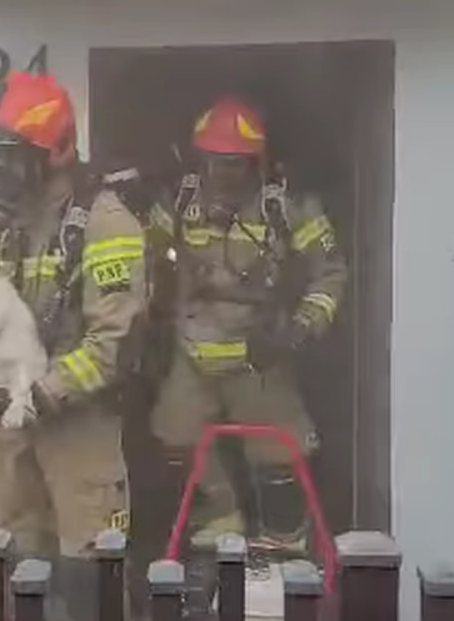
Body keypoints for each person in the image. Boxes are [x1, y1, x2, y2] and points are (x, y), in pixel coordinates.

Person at [0, 59, 149, 621]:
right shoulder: (5, 221)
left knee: (89, 577)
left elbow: (115, 341)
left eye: (6, 156)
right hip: (11, 428)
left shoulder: (107, 225)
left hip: (77, 429)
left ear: (51, 151)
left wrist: (41, 393)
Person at [144, 94, 348, 560]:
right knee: (176, 437)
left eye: (234, 163)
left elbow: (330, 272)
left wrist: (297, 330)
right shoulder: (179, 200)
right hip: (192, 349)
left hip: (260, 352)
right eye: (214, 162)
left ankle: (284, 538)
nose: (223, 174)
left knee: (279, 450)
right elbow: (142, 256)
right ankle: (219, 523)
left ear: (256, 162)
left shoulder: (288, 206)